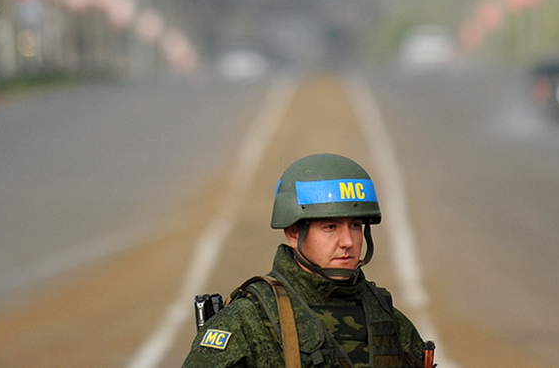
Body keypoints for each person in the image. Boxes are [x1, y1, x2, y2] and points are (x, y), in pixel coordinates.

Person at [182, 153, 432, 367]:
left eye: (355, 225)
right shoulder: (249, 319)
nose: (348, 241)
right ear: (293, 233)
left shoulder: (385, 316)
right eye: (330, 227)